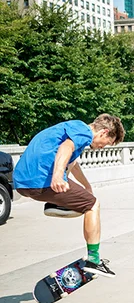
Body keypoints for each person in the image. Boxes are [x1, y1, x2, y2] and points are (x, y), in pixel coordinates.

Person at [13, 114, 125, 277]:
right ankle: (94, 260)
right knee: (92, 205)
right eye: (106, 144)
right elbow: (66, 148)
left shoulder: (72, 129)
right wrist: (58, 175)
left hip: (24, 183)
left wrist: (86, 186)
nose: (102, 148)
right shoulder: (85, 131)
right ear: (104, 133)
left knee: (84, 200)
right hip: (42, 180)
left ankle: (58, 204)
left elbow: (72, 162)